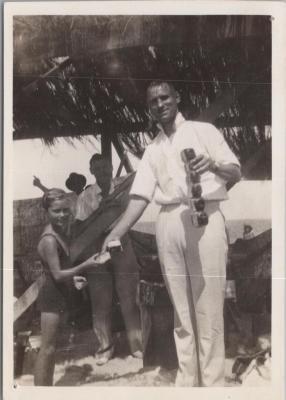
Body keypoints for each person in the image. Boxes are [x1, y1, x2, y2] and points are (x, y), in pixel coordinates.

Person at [102, 81, 241, 386]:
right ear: (148, 108)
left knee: (208, 307)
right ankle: (188, 382)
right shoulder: (152, 149)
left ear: (177, 98)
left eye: (165, 97)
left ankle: (214, 384)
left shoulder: (204, 131)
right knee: (181, 309)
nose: (160, 103)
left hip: (205, 216)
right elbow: (139, 198)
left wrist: (214, 165)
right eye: (153, 101)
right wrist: (113, 235)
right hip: (168, 221)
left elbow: (235, 172)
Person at [76, 154, 142, 365]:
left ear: (112, 168)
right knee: (100, 302)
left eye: (106, 168)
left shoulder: (125, 189)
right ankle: (105, 347)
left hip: (123, 246)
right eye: (98, 169)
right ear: (91, 171)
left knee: (130, 298)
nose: (103, 172)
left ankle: (137, 345)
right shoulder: (85, 197)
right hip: (97, 251)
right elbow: (80, 227)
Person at [34, 188, 99, 386]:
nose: (62, 215)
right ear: (47, 212)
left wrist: (74, 279)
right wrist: (86, 265)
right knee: (47, 348)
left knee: (52, 348)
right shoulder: (50, 240)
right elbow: (57, 274)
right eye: (56, 211)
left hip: (60, 294)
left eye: (65, 210)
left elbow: (62, 271)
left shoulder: (60, 232)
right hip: (52, 297)